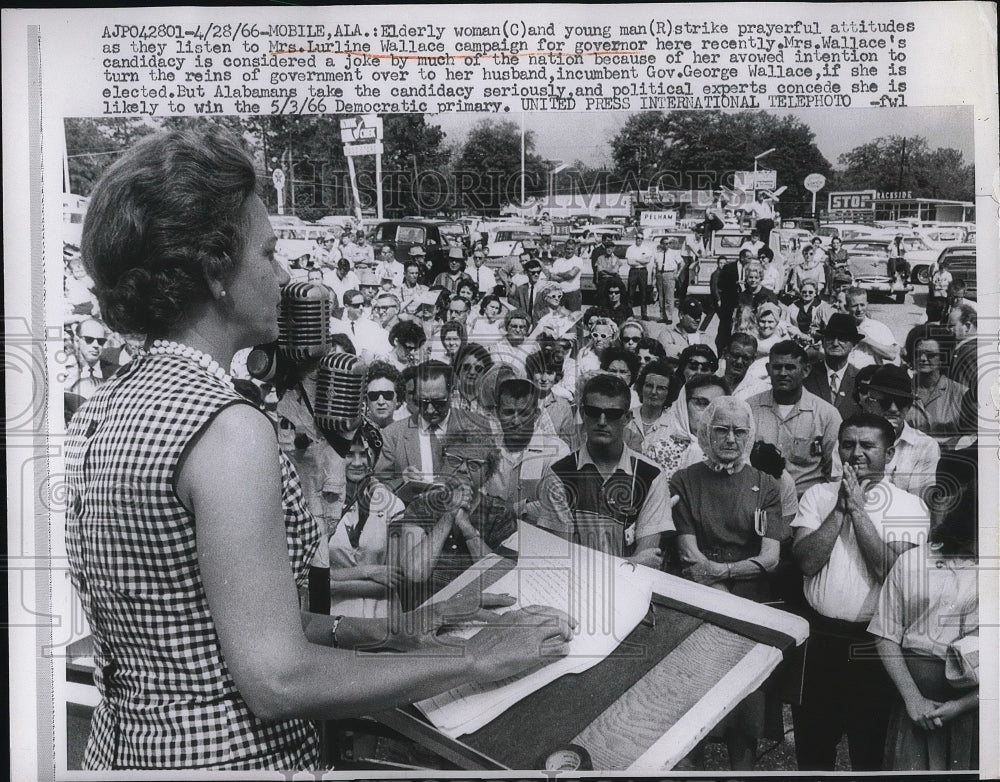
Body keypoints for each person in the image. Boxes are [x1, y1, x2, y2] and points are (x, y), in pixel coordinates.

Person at [65, 126, 572, 770]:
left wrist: (400, 633)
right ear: (216, 269)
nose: (282, 276)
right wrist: (473, 658)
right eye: (268, 254)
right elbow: (277, 680)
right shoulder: (225, 425)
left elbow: (216, 629)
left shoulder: (107, 405)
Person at [790, 413, 928, 772]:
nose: (856, 453)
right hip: (818, 639)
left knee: (870, 752)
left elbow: (889, 570)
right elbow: (805, 563)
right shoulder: (817, 496)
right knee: (813, 749)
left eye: (867, 445)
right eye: (848, 444)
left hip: (874, 645)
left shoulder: (908, 506)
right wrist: (839, 508)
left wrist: (859, 510)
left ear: (890, 452)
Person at [670, 396, 785, 769]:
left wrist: (723, 575)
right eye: (721, 429)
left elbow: (770, 558)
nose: (730, 438)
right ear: (705, 433)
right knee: (691, 700)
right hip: (698, 604)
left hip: (748, 609)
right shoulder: (684, 481)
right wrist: (719, 589)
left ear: (750, 435)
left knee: (746, 704)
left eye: (739, 431)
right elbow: (689, 554)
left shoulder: (766, 486)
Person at [869, 512, 979, 771]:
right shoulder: (913, 562)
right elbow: (885, 633)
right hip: (915, 710)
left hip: (971, 710)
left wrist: (961, 706)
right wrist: (913, 699)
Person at [536, 374, 672, 565]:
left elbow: (647, 565)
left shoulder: (651, 476)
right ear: (583, 414)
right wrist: (632, 562)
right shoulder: (559, 474)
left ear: (627, 418)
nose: (601, 421)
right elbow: (560, 562)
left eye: (612, 414)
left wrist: (638, 563)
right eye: (593, 411)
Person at [391, 430, 518, 610]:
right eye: (455, 460)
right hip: (425, 612)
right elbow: (414, 573)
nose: (463, 468)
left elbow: (501, 578)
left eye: (474, 464)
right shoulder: (421, 505)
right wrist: (448, 516)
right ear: (443, 463)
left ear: (488, 472)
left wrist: (467, 529)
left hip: (477, 612)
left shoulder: (500, 513)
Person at [375, 360, 491, 490]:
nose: (429, 410)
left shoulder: (477, 426)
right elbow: (377, 487)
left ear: (452, 393)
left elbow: (488, 479)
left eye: (438, 402)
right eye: (422, 401)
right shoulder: (392, 435)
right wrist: (402, 481)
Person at [327, 428, 405, 619]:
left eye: (363, 454)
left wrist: (335, 583)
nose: (357, 462)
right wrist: (368, 571)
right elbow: (312, 581)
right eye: (348, 454)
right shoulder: (318, 505)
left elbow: (392, 581)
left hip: (381, 618)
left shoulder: (392, 505)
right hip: (331, 618)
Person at [748, 340, 842, 498]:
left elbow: (835, 473)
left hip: (805, 506)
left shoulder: (826, 415)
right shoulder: (749, 409)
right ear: (768, 369)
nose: (783, 373)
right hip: (757, 500)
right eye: (777, 367)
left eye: (790, 367)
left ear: (805, 371)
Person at [487, 376, 571, 524]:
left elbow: (556, 505)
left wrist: (513, 509)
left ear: (536, 415)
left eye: (524, 413)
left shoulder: (557, 451)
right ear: (496, 413)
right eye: (508, 412)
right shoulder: (487, 447)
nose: (516, 421)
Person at [859, 365, 940, 501]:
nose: (893, 409)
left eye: (901, 402)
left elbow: (917, 502)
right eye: (885, 402)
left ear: (909, 406)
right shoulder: (851, 439)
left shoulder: (925, 446)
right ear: (870, 403)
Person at [644, 374, 731, 478]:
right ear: (684, 406)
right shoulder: (658, 451)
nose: (710, 412)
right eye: (701, 403)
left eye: (718, 406)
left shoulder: (732, 454)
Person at [903, 324, 967, 448]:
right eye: (918, 354)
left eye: (930, 355)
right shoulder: (902, 390)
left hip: (948, 460)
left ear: (943, 357)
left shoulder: (961, 394)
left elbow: (972, 436)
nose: (922, 359)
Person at [803, 313, 864, 419]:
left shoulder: (860, 379)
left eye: (842, 339)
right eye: (830, 338)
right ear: (823, 341)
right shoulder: (807, 374)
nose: (835, 343)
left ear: (854, 346)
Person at [625, 358, 675, 449]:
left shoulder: (674, 425)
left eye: (661, 388)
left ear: (669, 393)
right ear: (641, 387)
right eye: (649, 386)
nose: (653, 392)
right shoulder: (627, 417)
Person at [847, 288, 900, 368]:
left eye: (862, 305)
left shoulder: (878, 327)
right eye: (854, 306)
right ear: (847, 307)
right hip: (847, 378)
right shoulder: (841, 327)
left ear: (867, 304)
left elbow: (892, 355)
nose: (859, 309)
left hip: (870, 377)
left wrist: (867, 340)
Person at [64, 317, 110, 400]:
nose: (96, 345)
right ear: (77, 341)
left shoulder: (116, 372)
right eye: (89, 339)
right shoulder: (66, 371)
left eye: (101, 341)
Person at [946, 303, 977, 391]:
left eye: (952, 325)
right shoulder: (967, 348)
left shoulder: (970, 354)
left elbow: (962, 391)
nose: (947, 329)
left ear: (967, 327)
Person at [363, 361, 403, 429]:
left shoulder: (404, 433)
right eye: (374, 395)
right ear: (366, 400)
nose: (381, 402)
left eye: (387, 395)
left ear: (397, 398)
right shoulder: (355, 434)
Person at [654, 235, 683, 324]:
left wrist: (677, 273)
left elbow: (682, 263)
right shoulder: (658, 254)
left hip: (669, 274)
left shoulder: (674, 253)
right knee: (661, 297)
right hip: (660, 274)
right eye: (664, 244)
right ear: (661, 244)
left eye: (668, 243)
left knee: (669, 297)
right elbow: (655, 266)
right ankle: (662, 316)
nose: (666, 245)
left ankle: (669, 317)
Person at [624, 232, 652, 319]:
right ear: (635, 238)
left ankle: (644, 314)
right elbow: (629, 262)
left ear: (643, 239)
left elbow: (647, 260)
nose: (639, 240)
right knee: (631, 293)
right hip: (633, 272)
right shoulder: (630, 249)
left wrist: (636, 259)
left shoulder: (646, 248)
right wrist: (641, 260)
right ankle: (629, 313)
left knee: (643, 293)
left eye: (641, 238)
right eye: (638, 238)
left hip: (643, 271)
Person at [508, 259, 544, 325]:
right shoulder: (520, 289)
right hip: (525, 324)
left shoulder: (545, 289)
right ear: (526, 272)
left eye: (538, 272)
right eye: (533, 272)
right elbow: (517, 309)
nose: (536, 275)